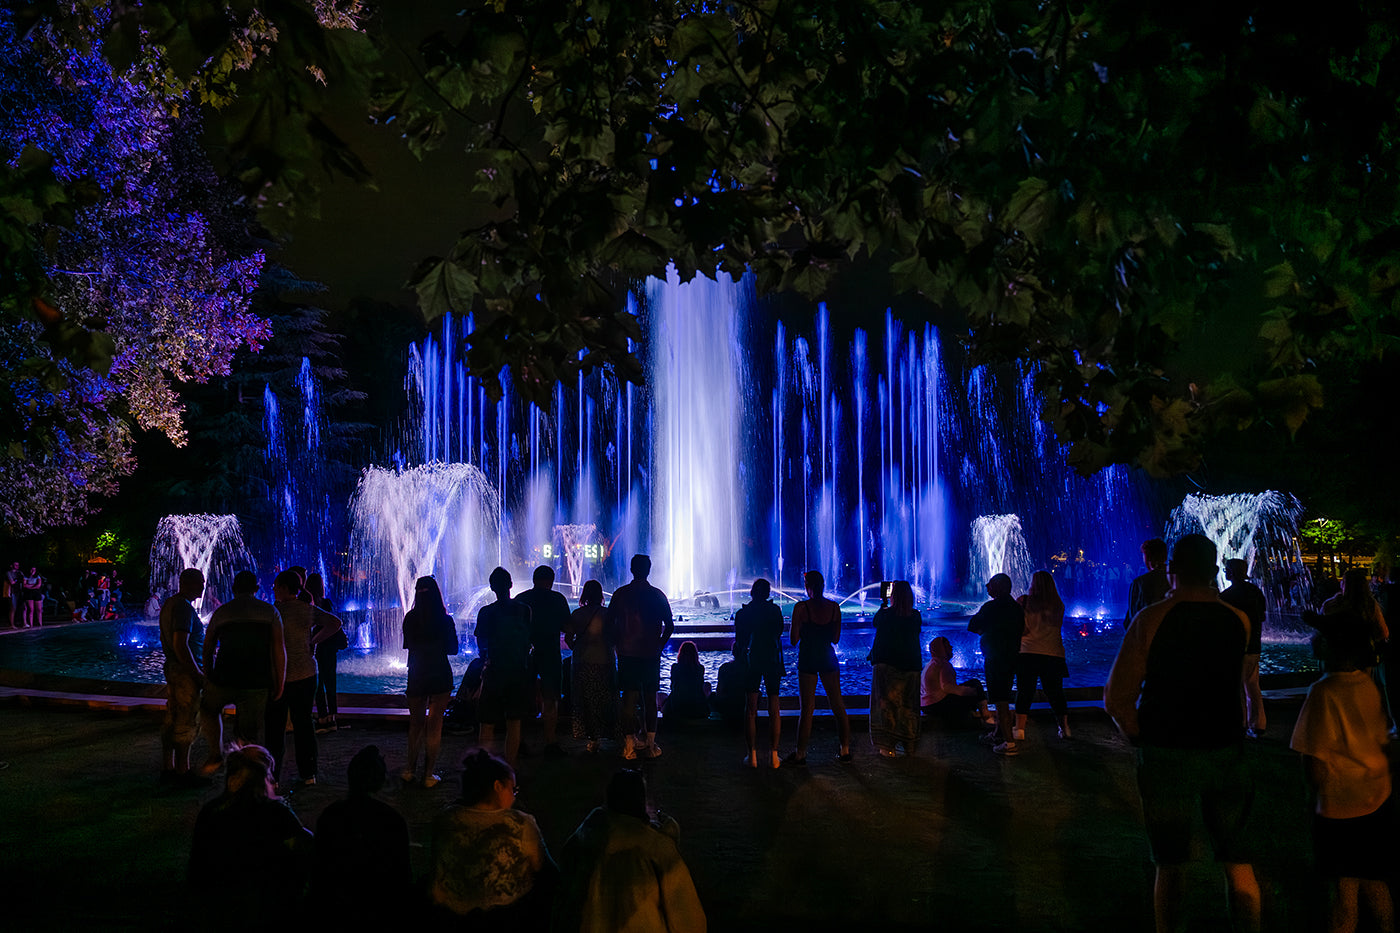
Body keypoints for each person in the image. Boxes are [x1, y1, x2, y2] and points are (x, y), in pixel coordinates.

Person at [1105, 533, 1260, 933]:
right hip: (1226, 749)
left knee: (1170, 863)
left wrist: (1138, 736)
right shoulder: (1237, 620)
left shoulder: (1151, 618)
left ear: (1171, 570)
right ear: (1213, 572)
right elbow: (1239, 680)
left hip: (1166, 751)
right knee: (1237, 860)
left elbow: (1116, 697)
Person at [1290, 617, 1395, 933]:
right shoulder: (1368, 683)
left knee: (1343, 891)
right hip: (1377, 796)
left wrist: (1312, 802)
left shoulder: (1323, 691)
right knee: (1375, 882)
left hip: (1341, 805)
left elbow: (1315, 758)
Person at [554, 769, 707, 933]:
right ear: (641, 803)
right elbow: (688, 919)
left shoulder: (584, 836)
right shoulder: (656, 848)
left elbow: (561, 892)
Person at [428, 748, 555, 930]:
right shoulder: (519, 823)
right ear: (498, 787)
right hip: (507, 917)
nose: (514, 795)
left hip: (450, 915)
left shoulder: (445, 819)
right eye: (513, 789)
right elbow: (542, 868)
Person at [188, 745, 311, 931]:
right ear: (265, 777)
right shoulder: (276, 813)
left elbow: (197, 864)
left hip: (219, 903)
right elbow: (305, 847)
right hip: (267, 904)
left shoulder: (211, 811)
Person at [312, 745, 412, 926]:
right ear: (381, 781)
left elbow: (319, 869)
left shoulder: (331, 816)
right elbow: (402, 876)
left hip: (335, 909)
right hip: (380, 909)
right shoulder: (392, 821)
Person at [200, 570, 286, 768]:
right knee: (249, 731)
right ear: (256, 589)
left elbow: (208, 648)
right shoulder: (270, 612)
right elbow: (279, 650)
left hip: (223, 678)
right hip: (256, 681)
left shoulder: (222, 612)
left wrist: (208, 674)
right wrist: (279, 682)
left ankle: (216, 751)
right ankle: (249, 769)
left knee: (208, 709)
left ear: (233, 588)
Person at [265, 569, 342, 787]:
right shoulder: (306, 609)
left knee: (275, 728)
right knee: (304, 724)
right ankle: (309, 774)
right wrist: (314, 641)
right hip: (307, 675)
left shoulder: (273, 612)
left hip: (279, 677)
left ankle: (273, 776)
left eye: (275, 586)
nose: (273, 589)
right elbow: (335, 623)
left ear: (282, 588)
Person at [606, 554, 674, 760]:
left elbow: (610, 624)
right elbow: (670, 626)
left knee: (629, 699)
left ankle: (629, 746)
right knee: (650, 699)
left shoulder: (620, 594)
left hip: (627, 653)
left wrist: (617, 645)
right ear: (649, 570)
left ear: (631, 569)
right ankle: (652, 745)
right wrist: (659, 645)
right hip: (650, 654)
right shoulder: (657, 595)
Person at [785, 569, 852, 766]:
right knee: (838, 704)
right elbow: (836, 638)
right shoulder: (834, 608)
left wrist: (798, 627)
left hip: (808, 659)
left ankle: (801, 754)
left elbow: (793, 640)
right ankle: (845, 750)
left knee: (807, 708)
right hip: (828, 658)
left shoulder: (801, 608)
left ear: (808, 587)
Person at [401, 575, 458, 787]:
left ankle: (408, 770)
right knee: (435, 724)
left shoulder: (410, 618)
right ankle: (428, 775)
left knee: (415, 724)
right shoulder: (445, 620)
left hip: (416, 672)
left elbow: (407, 645)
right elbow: (453, 649)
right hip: (440, 672)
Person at [476, 567, 534, 767]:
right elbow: (529, 638)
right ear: (510, 585)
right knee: (514, 722)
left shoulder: (486, 612)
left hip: (493, 672)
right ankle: (510, 769)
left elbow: (481, 645)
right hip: (517, 671)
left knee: (487, 723)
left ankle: (484, 767)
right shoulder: (524, 610)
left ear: (492, 587)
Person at [967, 573, 1026, 756]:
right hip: (1012, 657)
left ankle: (1009, 743)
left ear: (999, 587)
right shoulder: (1016, 608)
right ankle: (998, 733)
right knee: (1004, 697)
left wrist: (985, 632)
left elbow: (972, 625)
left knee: (1000, 700)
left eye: (990, 584)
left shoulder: (990, 607)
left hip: (995, 658)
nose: (986, 586)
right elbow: (1021, 630)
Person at [516, 564, 572, 755]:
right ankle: (550, 742)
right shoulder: (557, 599)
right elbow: (567, 627)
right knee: (551, 698)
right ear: (551, 581)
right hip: (550, 652)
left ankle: (519, 741)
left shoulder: (522, 599)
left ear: (534, 580)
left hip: (525, 654)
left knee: (523, 697)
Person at [159, 567, 207, 786]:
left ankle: (168, 767)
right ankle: (183, 771)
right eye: (200, 582)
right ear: (187, 583)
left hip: (173, 668)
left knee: (172, 716)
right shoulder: (184, 608)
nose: (203, 587)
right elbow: (181, 644)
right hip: (184, 671)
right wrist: (196, 672)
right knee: (186, 718)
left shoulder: (170, 603)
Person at [869, 580, 924, 758]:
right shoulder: (915, 616)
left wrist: (883, 605)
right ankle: (909, 744)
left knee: (886, 705)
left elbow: (875, 623)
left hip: (887, 665)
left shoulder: (885, 615)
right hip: (911, 666)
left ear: (893, 595)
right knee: (909, 706)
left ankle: (887, 746)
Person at [1015, 570, 1071, 742]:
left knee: (1025, 691)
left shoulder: (1024, 601)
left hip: (1028, 651)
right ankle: (1064, 728)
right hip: (1053, 653)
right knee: (1055, 692)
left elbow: (1019, 627)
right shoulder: (1058, 605)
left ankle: (1020, 729)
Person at [734, 578, 784, 767]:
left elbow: (739, 641)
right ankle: (774, 754)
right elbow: (778, 633)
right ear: (768, 593)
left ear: (752, 593)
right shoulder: (775, 611)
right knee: (774, 706)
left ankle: (752, 754)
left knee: (751, 708)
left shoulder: (743, 613)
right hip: (771, 659)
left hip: (751, 660)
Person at [566, 579, 617, 754]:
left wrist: (578, 650)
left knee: (585, 700)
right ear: (601, 595)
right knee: (604, 698)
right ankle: (606, 733)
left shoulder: (576, 614)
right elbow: (613, 638)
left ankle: (591, 738)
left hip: (582, 662)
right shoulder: (608, 614)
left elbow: (567, 639)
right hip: (604, 661)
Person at [1220, 559, 1268, 738]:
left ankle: (1241, 723)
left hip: (1237, 649)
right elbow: (1262, 617)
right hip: (1255, 646)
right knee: (1253, 685)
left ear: (1232, 572)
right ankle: (1259, 724)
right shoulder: (1255, 592)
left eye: (1226, 570)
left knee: (1237, 687)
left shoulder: (1227, 596)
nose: (1224, 573)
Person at [306, 572, 347, 734]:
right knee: (330, 683)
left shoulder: (308, 605)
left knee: (318, 685)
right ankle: (332, 718)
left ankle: (322, 717)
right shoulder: (326, 603)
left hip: (315, 648)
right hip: (329, 649)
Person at [921, 636, 993, 728]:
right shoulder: (943, 664)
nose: (952, 647)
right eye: (948, 646)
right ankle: (986, 717)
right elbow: (947, 687)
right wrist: (969, 691)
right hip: (937, 705)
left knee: (971, 688)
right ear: (942, 649)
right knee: (975, 684)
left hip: (926, 706)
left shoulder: (931, 664)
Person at [660, 640, 711, 720]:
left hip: (677, 706)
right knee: (707, 685)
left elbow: (672, 686)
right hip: (697, 706)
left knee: (661, 695)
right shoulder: (700, 668)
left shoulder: (675, 667)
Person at [1125, 538, 1170, 627]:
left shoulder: (1139, 583)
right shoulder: (1177, 579)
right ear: (1165, 556)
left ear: (1147, 557)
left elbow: (1132, 616)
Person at [5, 561, 19, 628]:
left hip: (18, 591)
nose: (17, 566)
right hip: (11, 591)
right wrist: (17, 579)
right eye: (15, 565)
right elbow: (12, 582)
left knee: (18, 607)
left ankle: (17, 622)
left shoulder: (19, 572)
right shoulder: (9, 573)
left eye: (18, 565)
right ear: (11, 565)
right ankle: (12, 624)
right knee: (12, 607)